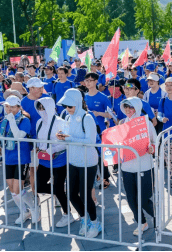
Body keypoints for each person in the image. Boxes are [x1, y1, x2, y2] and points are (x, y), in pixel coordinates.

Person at [56, 88, 101, 238]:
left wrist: (68, 138)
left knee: (85, 195)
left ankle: (95, 222)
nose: (67, 109)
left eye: (70, 106)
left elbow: (90, 141)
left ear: (77, 103)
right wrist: (62, 136)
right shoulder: (68, 118)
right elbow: (70, 136)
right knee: (71, 194)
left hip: (88, 162)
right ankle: (84, 219)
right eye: (65, 106)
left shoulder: (87, 118)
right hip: (73, 160)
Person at [117, 97, 157, 236]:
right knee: (131, 198)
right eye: (125, 107)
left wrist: (152, 148)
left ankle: (157, 217)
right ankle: (141, 222)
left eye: (131, 107)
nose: (128, 110)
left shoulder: (147, 123)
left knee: (144, 198)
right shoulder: (122, 123)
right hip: (127, 167)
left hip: (145, 166)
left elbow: (155, 142)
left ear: (137, 107)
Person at [0, 95, 38, 225]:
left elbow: (19, 136)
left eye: (13, 107)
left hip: (22, 157)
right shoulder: (3, 119)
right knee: (12, 189)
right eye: (8, 106)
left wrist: (12, 120)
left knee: (18, 189)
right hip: (8, 157)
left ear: (19, 107)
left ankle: (34, 209)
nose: (10, 109)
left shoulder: (24, 120)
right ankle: (24, 211)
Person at [34, 97, 73, 227]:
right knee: (39, 186)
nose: (41, 110)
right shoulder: (39, 122)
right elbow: (40, 139)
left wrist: (53, 149)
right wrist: (39, 147)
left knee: (58, 187)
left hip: (59, 160)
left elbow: (65, 142)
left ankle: (68, 214)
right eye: (39, 107)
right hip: (44, 160)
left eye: (43, 107)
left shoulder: (60, 122)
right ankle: (62, 193)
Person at [22, 77, 47, 190]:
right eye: (39, 88)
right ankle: (34, 195)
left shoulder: (47, 99)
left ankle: (56, 196)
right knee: (33, 170)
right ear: (31, 88)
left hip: (48, 140)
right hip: (32, 142)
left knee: (50, 168)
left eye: (42, 87)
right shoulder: (23, 102)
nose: (42, 89)